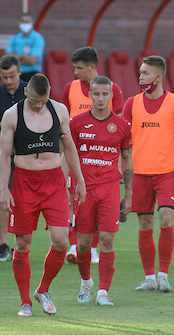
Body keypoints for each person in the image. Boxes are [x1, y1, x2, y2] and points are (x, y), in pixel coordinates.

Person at [0, 73, 86, 316]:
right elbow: (5, 155)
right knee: (23, 244)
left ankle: (43, 290)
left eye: (43, 100)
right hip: (24, 183)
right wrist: (4, 189)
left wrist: (79, 180)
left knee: (61, 241)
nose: (39, 105)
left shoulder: (59, 110)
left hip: (53, 182)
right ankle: (25, 301)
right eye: (35, 100)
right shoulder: (11, 115)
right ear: (26, 92)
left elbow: (69, 147)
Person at [122, 55, 174, 292]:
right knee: (145, 223)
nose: (141, 77)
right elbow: (124, 142)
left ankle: (163, 276)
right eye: (140, 73)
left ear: (159, 77)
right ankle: (149, 278)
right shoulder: (131, 103)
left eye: (146, 73)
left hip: (168, 172)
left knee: (166, 217)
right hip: (140, 173)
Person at [70, 75, 132, 306]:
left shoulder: (123, 126)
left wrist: (129, 193)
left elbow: (127, 159)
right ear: (90, 95)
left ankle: (104, 291)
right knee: (84, 244)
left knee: (107, 240)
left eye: (105, 94)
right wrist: (68, 186)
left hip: (109, 189)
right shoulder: (76, 123)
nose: (101, 98)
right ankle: (86, 282)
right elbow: (69, 155)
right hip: (84, 190)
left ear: (112, 96)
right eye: (96, 94)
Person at [61, 46, 124, 265]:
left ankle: (94, 247)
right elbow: (64, 121)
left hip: (102, 157)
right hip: (76, 154)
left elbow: (118, 125)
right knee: (72, 199)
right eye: (74, 68)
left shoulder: (113, 89)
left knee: (98, 203)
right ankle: (75, 245)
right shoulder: (70, 88)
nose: (75, 72)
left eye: (79, 68)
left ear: (91, 67)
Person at [0, 55, 27, 262]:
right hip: (3, 152)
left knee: (23, 199)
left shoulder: (29, 91)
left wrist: (5, 123)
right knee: (2, 195)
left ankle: (19, 244)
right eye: (4, 77)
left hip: (27, 151)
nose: (9, 81)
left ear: (19, 72)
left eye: (12, 76)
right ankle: (3, 243)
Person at [6, 13, 45, 82]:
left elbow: (32, 61)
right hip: (15, 75)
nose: (25, 24)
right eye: (23, 21)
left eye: (27, 21)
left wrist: (15, 57)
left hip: (31, 75)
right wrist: (23, 56)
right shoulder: (14, 38)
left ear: (32, 23)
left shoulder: (37, 38)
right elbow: (7, 59)